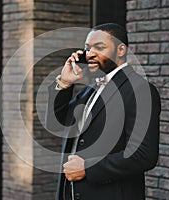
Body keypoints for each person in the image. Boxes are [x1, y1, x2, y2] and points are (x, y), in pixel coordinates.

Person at [45, 23, 161, 200]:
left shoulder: (140, 90)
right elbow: (56, 123)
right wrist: (64, 83)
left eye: (99, 47)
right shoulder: (89, 90)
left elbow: (144, 154)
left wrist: (88, 168)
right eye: (87, 48)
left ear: (120, 50)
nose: (90, 53)